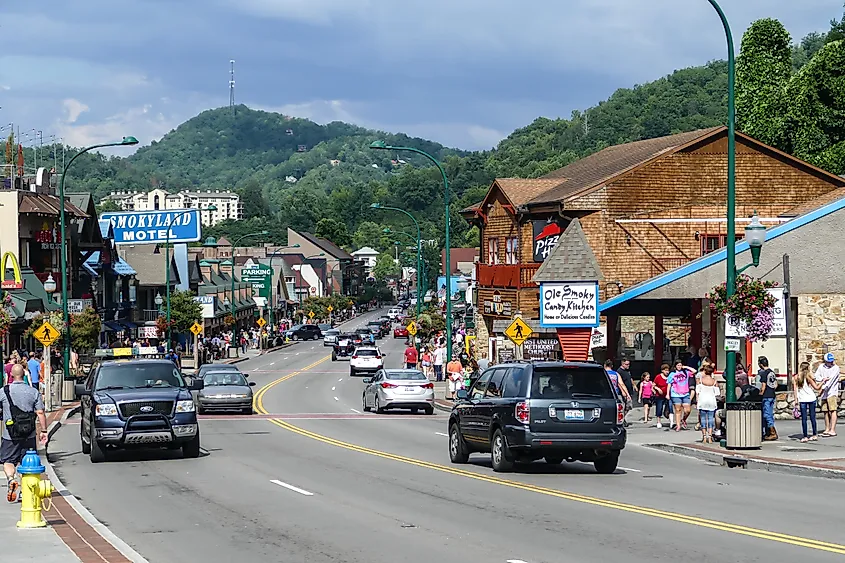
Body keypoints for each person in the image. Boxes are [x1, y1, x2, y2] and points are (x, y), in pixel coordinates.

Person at [2, 364, 48, 502]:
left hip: (9, 435)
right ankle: (24, 491)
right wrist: (44, 431)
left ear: (11, 375)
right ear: (24, 374)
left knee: (7, 461)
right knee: (26, 463)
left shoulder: (4, 391)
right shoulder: (33, 391)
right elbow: (40, 412)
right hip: (29, 433)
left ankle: (11, 479)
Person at [814, 353, 841, 438]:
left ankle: (832, 430)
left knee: (833, 410)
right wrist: (823, 379)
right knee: (825, 411)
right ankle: (827, 428)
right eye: (829, 362)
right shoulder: (821, 367)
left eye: (832, 361)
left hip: (832, 392)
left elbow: (831, 380)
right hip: (824, 393)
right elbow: (817, 376)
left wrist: (823, 388)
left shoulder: (836, 368)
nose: (831, 363)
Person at [793, 361, 821, 443]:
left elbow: (795, 390)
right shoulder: (809, 377)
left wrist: (796, 400)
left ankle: (805, 436)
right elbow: (816, 387)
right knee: (813, 417)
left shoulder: (796, 377)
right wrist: (823, 382)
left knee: (804, 419)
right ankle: (814, 434)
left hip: (802, 399)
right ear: (808, 368)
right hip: (811, 398)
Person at [667, 360, 694, 432]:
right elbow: (669, 384)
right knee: (678, 410)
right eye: (678, 365)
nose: (679, 367)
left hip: (685, 393)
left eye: (680, 365)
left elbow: (694, 371)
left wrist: (686, 367)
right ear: (675, 366)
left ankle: (683, 419)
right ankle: (678, 425)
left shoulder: (686, 373)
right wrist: (667, 393)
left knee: (687, 410)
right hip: (675, 393)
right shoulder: (672, 374)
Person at [696, 365, 720, 443]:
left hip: (702, 401)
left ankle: (704, 437)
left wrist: (697, 400)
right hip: (711, 401)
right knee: (710, 419)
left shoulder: (701, 380)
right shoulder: (714, 381)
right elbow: (717, 393)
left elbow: (698, 391)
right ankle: (709, 436)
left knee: (703, 419)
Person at [758, 356, 779, 441]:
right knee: (770, 413)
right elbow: (776, 384)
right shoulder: (772, 372)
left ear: (761, 364)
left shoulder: (764, 373)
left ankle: (772, 432)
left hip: (766, 396)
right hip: (772, 395)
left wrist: (760, 394)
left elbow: (763, 386)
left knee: (767, 414)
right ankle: (768, 431)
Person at [617, 359, 636, 427]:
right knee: (624, 406)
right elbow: (620, 383)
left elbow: (630, 378)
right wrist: (623, 392)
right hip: (623, 393)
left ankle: (622, 419)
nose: (628, 366)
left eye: (628, 364)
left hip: (629, 391)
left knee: (628, 407)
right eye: (626, 364)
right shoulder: (619, 372)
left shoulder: (627, 371)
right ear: (622, 364)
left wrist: (634, 385)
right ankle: (621, 420)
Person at [652, 364, 670, 429]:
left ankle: (670, 419)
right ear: (662, 371)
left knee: (669, 407)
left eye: (668, 370)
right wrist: (657, 389)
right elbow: (653, 385)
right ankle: (658, 421)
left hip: (668, 395)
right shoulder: (658, 377)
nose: (667, 372)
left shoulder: (669, 377)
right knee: (659, 408)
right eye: (665, 370)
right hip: (659, 395)